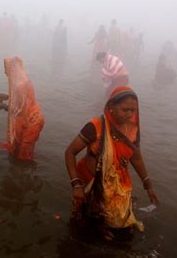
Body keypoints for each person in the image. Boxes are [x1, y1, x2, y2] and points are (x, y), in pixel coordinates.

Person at [64, 86, 158, 239]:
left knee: (119, 226)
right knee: (85, 224)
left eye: (132, 110)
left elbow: (136, 157)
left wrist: (148, 184)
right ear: (111, 107)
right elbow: (70, 152)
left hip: (118, 184)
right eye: (124, 109)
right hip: (91, 184)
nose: (129, 114)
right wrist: (76, 185)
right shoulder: (95, 127)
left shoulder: (132, 130)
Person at [0, 56, 44, 161]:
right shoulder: (22, 80)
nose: (4, 71)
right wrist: (6, 97)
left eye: (6, 68)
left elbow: (21, 110)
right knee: (19, 149)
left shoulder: (20, 84)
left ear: (12, 68)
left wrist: (3, 106)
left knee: (23, 155)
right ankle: (24, 170)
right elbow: (20, 99)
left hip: (32, 121)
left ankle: (22, 174)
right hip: (29, 118)